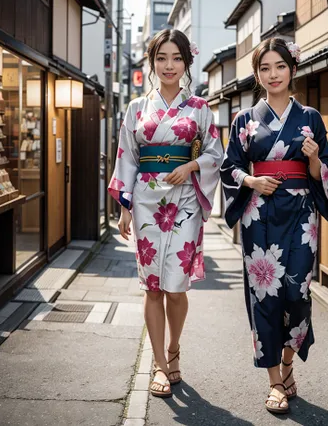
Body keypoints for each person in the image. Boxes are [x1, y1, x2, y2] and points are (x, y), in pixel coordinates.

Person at [220, 38, 328, 414]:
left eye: (280, 67)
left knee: (297, 294)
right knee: (265, 296)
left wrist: (316, 157)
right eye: (265, 68)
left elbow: (325, 173)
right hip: (260, 214)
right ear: (257, 74)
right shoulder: (244, 119)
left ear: (292, 69)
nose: (273, 75)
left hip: (301, 214)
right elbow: (229, 168)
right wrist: (251, 182)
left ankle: (288, 363)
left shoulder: (311, 118)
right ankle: (274, 381)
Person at [108, 29, 222, 398]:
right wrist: (124, 206)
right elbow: (126, 155)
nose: (168, 65)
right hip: (145, 200)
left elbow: (216, 155)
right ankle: (160, 362)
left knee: (175, 286)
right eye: (161, 58)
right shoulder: (137, 108)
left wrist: (191, 168)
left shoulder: (200, 109)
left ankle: (174, 348)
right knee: (152, 287)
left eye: (176, 58)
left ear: (187, 62)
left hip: (185, 199)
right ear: (152, 61)